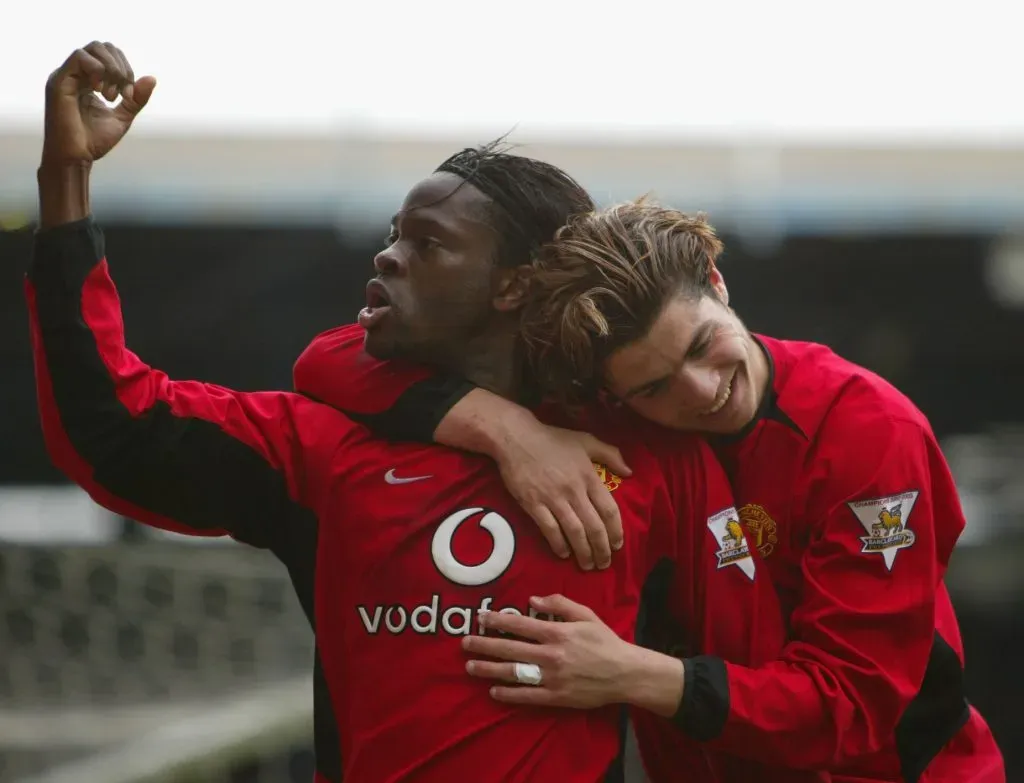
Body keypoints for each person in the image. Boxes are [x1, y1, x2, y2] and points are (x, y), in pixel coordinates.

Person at [28, 43, 792, 783]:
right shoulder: (320, 447)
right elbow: (111, 425)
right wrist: (66, 180)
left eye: (428, 243)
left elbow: (747, 681)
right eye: (394, 234)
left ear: (515, 287)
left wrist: (633, 672)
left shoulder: (647, 456)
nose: (387, 256)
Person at [292, 202, 1005, 781]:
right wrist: (506, 427)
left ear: (718, 284)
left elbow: (851, 709)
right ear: (609, 392)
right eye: (655, 386)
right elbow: (332, 356)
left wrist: (630, 673)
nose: (701, 392)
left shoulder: (868, 430)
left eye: (701, 345)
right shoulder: (609, 422)